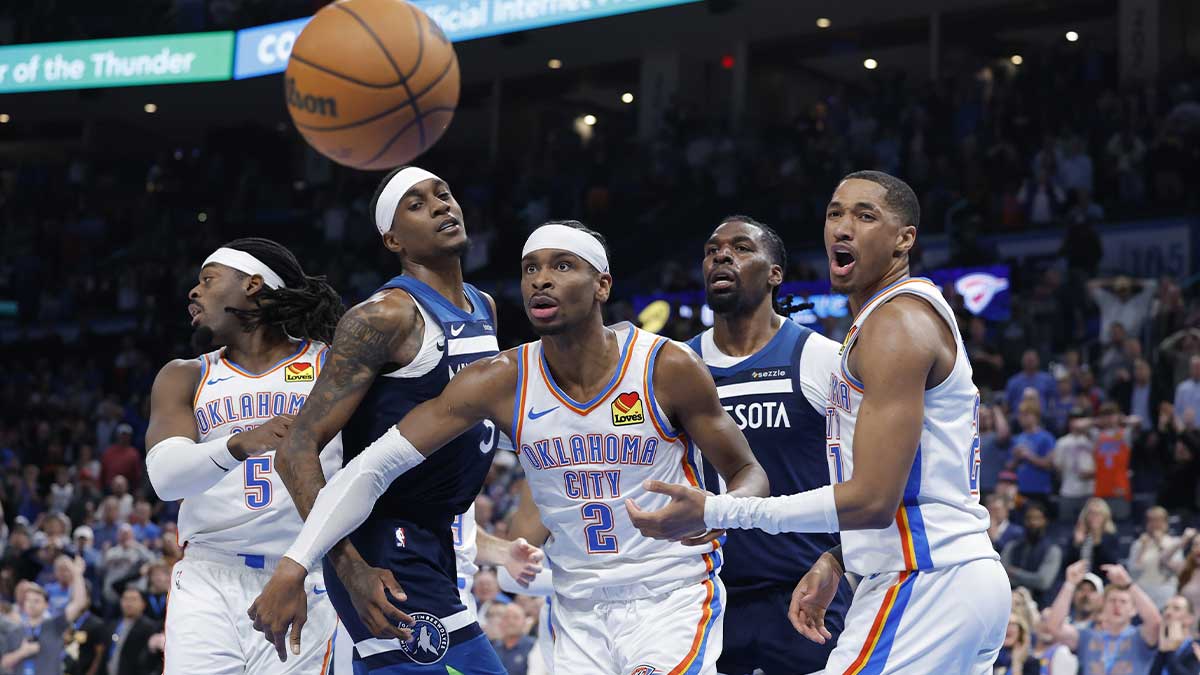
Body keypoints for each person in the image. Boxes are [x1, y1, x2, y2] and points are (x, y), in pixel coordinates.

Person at [251, 220, 770, 675]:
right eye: (529, 269)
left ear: (601, 285)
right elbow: (371, 468)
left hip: (670, 599)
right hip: (576, 610)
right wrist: (295, 564)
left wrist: (717, 509)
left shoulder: (666, 365)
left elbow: (749, 472)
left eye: (563, 266)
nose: (540, 279)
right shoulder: (500, 380)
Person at [630, 171, 1009, 672]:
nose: (843, 227)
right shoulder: (881, 322)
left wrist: (722, 511)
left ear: (905, 239)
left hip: (925, 578)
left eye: (865, 215)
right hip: (938, 577)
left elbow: (874, 500)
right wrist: (838, 559)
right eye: (835, 213)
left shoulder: (896, 324)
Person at [247, 167, 532, 673]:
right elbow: (296, 449)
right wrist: (351, 569)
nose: (442, 205)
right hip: (383, 547)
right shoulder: (384, 317)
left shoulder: (483, 306)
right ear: (393, 238)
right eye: (417, 203)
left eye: (444, 194)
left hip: (436, 539)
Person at [143, 236, 345, 674]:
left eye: (208, 280)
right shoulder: (186, 375)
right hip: (208, 574)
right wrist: (240, 443)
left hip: (301, 573)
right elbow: (166, 478)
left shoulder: (332, 365)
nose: (194, 292)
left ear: (253, 284)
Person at [683, 215, 852, 674]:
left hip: (805, 592)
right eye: (712, 248)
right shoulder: (676, 366)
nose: (721, 255)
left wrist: (839, 561)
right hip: (708, 595)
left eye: (740, 248)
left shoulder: (820, 358)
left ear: (774, 273)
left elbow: (868, 477)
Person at [1046, 560, 1161, 675]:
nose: (1117, 606)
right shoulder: (1087, 637)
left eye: (1123, 602)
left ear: (1134, 610)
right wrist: (1069, 584)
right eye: (1112, 601)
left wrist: (1129, 584)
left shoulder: (1140, 637)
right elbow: (1054, 627)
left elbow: (1155, 622)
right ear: (1103, 606)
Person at [1, 557, 87, 675]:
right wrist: (22, 652)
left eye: (36, 601)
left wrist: (77, 575)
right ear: (23, 605)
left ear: (46, 605)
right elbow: (4, 663)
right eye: (28, 601)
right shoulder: (15, 630)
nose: (31, 604)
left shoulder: (55, 625)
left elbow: (78, 603)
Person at [1000, 503, 1062, 604]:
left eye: (1037, 518)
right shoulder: (1012, 546)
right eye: (1029, 518)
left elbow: (1043, 582)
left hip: (1040, 605)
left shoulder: (1053, 549)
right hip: (1011, 602)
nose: (1032, 522)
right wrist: (1031, 579)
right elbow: (1001, 576)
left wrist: (1015, 573)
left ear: (1045, 521)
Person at [1129, 507, 1190, 609]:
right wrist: (1142, 550)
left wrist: (1160, 545)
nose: (1155, 524)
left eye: (1159, 520)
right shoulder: (1138, 544)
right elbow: (1133, 572)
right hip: (1143, 594)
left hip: (1166, 594)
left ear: (1166, 523)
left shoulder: (1175, 543)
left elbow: (1177, 570)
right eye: (1151, 520)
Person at [1008, 400, 1057, 510]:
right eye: (1020, 415)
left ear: (1035, 416)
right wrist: (1016, 458)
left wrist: (1028, 456)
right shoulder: (1017, 438)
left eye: (1026, 415)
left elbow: (1049, 465)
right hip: (1020, 489)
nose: (1021, 418)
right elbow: (1009, 467)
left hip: (1040, 489)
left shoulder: (1046, 438)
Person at [1052, 409, 1096, 523]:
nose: (1076, 423)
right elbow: (1058, 467)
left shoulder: (1093, 440)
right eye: (1073, 419)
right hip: (1068, 491)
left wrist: (1093, 473)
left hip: (1089, 491)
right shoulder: (1062, 442)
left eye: (1080, 419)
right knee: (1066, 527)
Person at [106, 588, 162, 675]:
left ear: (143, 604)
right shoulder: (112, 625)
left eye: (133, 599)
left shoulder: (150, 627)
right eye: (125, 599)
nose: (129, 603)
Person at [1067, 497, 1122, 571]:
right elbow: (1068, 564)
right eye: (1091, 513)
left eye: (1098, 513)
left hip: (1102, 579)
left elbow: (1111, 562)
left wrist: (1097, 543)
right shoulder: (1078, 535)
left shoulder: (1110, 537)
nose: (1094, 517)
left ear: (1105, 516)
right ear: (1086, 516)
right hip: (1079, 577)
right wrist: (1077, 544)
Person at [1155, 595, 1200, 674]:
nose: (1168, 612)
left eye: (1176, 608)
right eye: (1166, 608)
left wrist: (1170, 651)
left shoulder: (1195, 648)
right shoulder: (1155, 642)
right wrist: (1162, 652)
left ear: (1189, 619)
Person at [1028, 608, 1077, 675]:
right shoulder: (1026, 649)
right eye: (1044, 620)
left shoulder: (1062, 653)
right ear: (1037, 624)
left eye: (1054, 622)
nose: (1047, 626)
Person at [490, 603, 534, 675]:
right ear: (500, 622)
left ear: (524, 621)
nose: (511, 621)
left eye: (516, 617)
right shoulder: (492, 648)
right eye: (506, 617)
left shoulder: (533, 647)